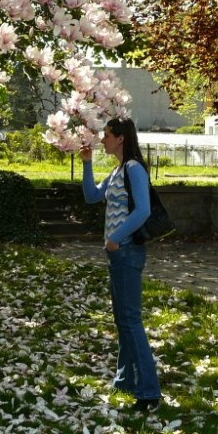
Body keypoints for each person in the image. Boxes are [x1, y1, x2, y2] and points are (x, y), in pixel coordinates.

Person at [80, 117, 162, 412]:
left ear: (121, 138)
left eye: (107, 135)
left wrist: (115, 238)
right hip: (117, 254)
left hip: (127, 252)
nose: (102, 140)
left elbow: (143, 211)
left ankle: (149, 392)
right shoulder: (117, 171)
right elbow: (92, 196)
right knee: (122, 320)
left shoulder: (134, 169)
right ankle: (125, 381)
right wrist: (87, 163)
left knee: (130, 320)